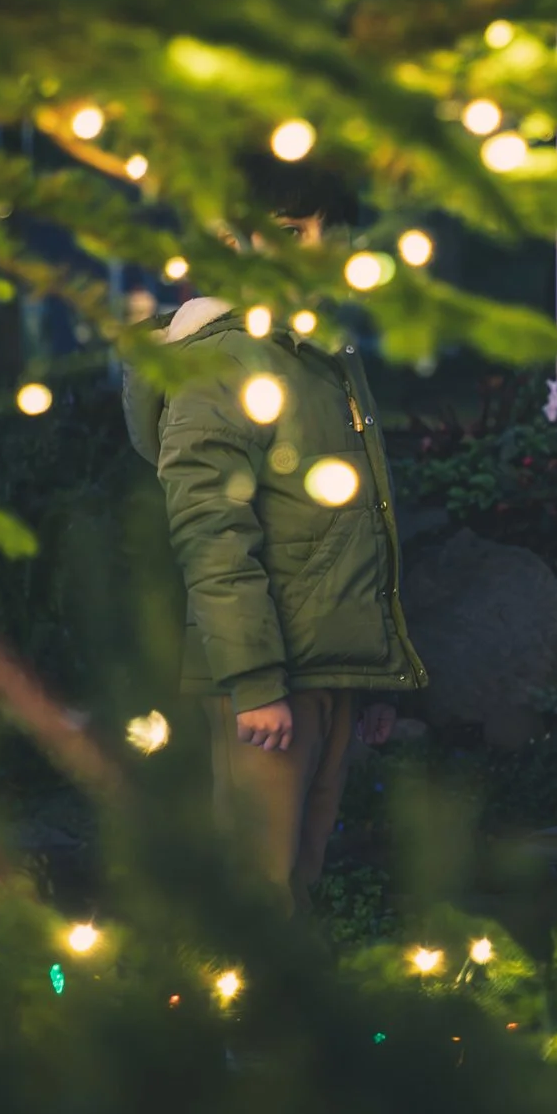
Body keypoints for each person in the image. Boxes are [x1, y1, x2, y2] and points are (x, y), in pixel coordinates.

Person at [122, 164, 422, 911]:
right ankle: (239, 1031)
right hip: (269, 680)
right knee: (260, 896)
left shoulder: (320, 355)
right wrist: (253, 681)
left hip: (327, 668)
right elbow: (212, 534)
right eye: (290, 232)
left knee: (300, 880)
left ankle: (285, 1029)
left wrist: (372, 674)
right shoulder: (221, 363)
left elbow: (353, 524)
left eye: (329, 232)